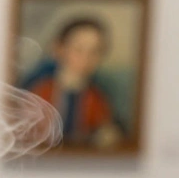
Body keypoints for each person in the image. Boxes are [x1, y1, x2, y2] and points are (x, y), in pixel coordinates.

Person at [19, 17, 122, 149]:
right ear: (59, 49)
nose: (86, 58)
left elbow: (105, 131)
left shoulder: (97, 97)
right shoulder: (40, 91)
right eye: (79, 50)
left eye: (95, 51)